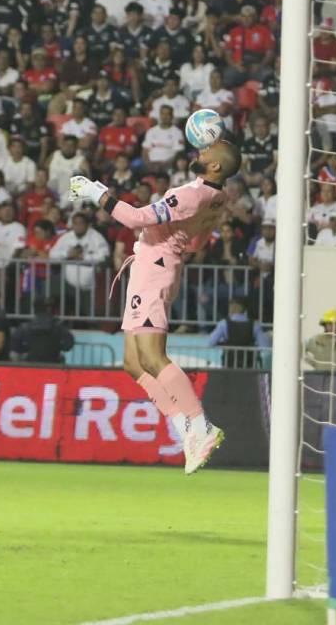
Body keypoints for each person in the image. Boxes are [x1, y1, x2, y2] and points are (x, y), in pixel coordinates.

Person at [66, 139, 243, 473]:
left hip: (155, 269)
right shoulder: (216, 198)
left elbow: (136, 219)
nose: (200, 151)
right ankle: (183, 428)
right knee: (133, 363)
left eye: (207, 151)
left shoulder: (191, 195)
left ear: (216, 166)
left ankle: (201, 425)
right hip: (156, 265)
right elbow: (196, 243)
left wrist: (94, 192)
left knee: (152, 357)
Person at [207, 296, 267, 368]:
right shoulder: (254, 325)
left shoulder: (224, 323)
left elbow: (211, 342)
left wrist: (223, 343)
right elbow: (264, 346)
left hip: (229, 365)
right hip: (249, 366)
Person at [11, 297, 75, 363]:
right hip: (53, 364)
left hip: (31, 364)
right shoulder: (58, 326)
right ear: (48, 309)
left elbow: (14, 344)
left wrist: (27, 348)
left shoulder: (25, 327)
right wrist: (58, 347)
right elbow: (69, 343)